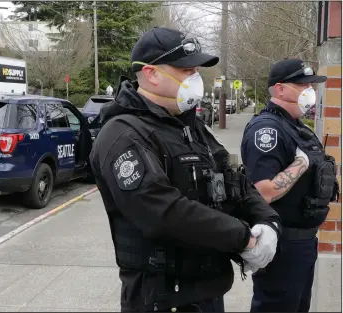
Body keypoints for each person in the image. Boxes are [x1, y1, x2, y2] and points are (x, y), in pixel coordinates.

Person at [91, 27, 281, 312]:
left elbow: (233, 178)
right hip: (162, 298)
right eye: (186, 70)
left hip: (206, 290)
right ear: (152, 73)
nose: (195, 79)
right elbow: (162, 211)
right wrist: (243, 238)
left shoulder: (190, 127)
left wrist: (267, 221)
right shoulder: (122, 135)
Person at [241, 58, 340, 312]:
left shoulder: (296, 128)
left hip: (303, 243)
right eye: (302, 85)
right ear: (280, 89)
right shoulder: (267, 130)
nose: (310, 91)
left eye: (311, 85)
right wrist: (300, 164)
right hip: (283, 244)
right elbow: (263, 192)